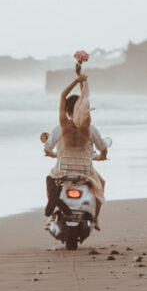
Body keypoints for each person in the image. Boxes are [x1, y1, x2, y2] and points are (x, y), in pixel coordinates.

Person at [44, 73, 106, 229]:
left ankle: (52, 214)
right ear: (84, 109)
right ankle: (96, 219)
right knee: (101, 184)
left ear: (66, 111)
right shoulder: (88, 127)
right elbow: (85, 99)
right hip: (84, 170)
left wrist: (77, 79)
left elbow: (63, 95)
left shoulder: (63, 125)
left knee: (50, 181)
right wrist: (83, 82)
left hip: (63, 169)